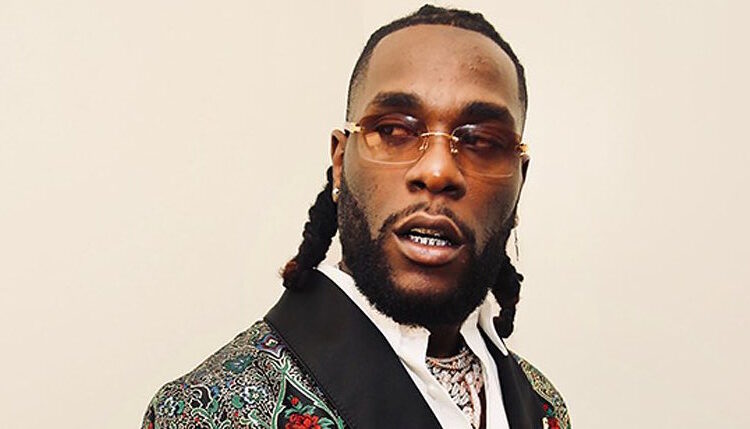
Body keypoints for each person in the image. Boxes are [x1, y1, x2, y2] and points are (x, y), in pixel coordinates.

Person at [141, 5, 570, 429]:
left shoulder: (544, 406)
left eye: (481, 140)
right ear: (340, 162)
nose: (438, 171)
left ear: (519, 182)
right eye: (394, 131)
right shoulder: (207, 412)